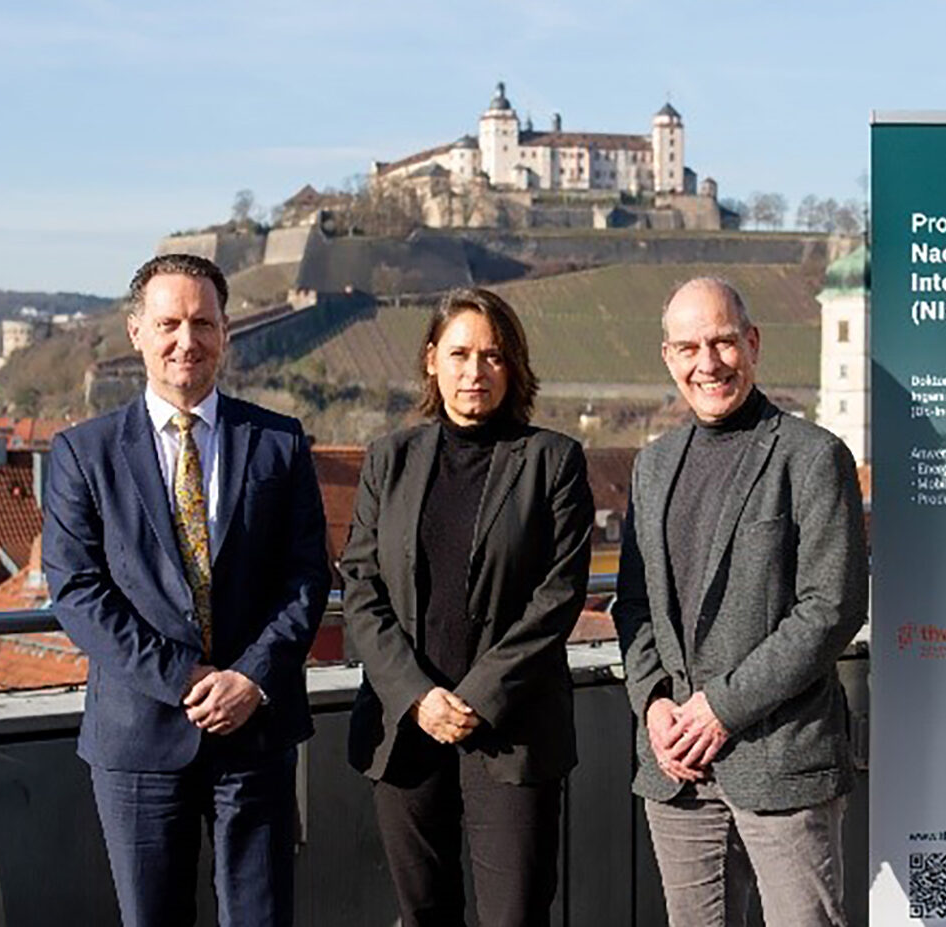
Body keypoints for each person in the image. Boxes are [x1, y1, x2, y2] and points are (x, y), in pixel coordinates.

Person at [41, 254, 331, 927]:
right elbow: (78, 590)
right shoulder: (84, 452)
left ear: (227, 333)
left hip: (255, 733)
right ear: (135, 332)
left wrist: (251, 678)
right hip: (137, 737)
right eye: (168, 322)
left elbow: (307, 575)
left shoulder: (278, 443)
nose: (186, 339)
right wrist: (185, 678)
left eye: (203, 322)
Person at [613, 277, 868, 927]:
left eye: (724, 341)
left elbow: (830, 606)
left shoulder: (812, 456)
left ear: (752, 343)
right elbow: (635, 603)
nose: (709, 362)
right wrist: (655, 704)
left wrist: (722, 707)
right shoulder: (653, 465)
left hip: (782, 756)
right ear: (668, 356)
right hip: (677, 764)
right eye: (690, 347)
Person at [342, 287, 594, 927]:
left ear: (514, 367)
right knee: (423, 912)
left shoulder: (552, 462)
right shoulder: (389, 460)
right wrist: (419, 696)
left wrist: (476, 697)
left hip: (511, 732)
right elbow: (363, 589)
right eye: (459, 354)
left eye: (492, 356)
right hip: (407, 728)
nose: (474, 372)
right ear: (431, 360)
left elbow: (557, 598)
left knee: (515, 916)